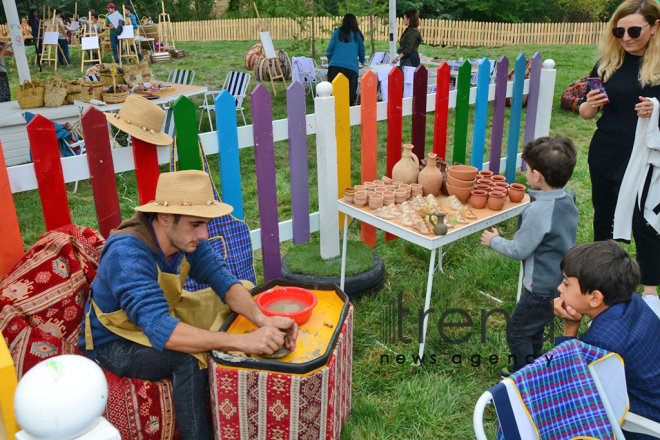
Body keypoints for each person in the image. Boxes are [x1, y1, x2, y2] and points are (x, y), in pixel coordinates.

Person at [80, 98, 298, 440]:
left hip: (160, 315)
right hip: (114, 341)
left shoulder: (184, 237)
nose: (204, 234)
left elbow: (223, 280)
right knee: (192, 356)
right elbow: (162, 332)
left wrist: (263, 320)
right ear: (165, 217)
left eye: (205, 224)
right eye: (197, 224)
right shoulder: (128, 254)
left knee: (238, 292)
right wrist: (244, 343)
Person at [580, 0, 660, 311]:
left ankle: (651, 293)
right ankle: (604, 282)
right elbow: (587, 112)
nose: (626, 37)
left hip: (647, 157)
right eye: (619, 30)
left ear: (655, 28)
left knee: (646, 221)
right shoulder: (608, 62)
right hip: (606, 152)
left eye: (635, 30)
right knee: (605, 216)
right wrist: (591, 103)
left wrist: (656, 111)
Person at [480, 135, 579, 377]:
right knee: (533, 328)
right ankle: (533, 366)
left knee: (517, 330)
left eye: (527, 170)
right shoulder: (568, 197)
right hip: (561, 281)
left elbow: (519, 249)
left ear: (537, 176)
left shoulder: (538, 211)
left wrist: (493, 241)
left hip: (540, 286)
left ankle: (523, 375)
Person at [554, 241, 660, 440]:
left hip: (645, 425)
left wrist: (570, 327)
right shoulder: (632, 301)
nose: (560, 287)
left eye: (566, 283)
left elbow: (565, 384)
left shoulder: (602, 342)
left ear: (595, 298)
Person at [326, 13, 365, 106]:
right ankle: (347, 112)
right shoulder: (357, 35)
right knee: (349, 93)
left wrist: (329, 56)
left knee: (333, 91)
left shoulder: (337, 32)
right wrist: (362, 60)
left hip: (335, 65)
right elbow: (361, 49)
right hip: (351, 68)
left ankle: (334, 111)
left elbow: (330, 46)